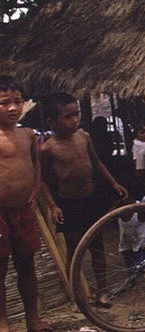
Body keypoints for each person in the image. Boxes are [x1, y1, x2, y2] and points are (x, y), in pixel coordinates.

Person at [38, 92, 128, 307]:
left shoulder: (84, 137)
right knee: (74, 249)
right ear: (52, 121)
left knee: (98, 247)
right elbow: (42, 181)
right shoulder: (48, 148)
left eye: (76, 114)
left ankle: (102, 291)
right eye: (68, 116)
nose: (75, 120)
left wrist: (113, 183)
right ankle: (76, 295)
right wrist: (53, 206)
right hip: (69, 202)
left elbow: (97, 163)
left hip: (91, 197)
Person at [0, 75, 56, 332]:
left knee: (27, 264)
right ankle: (2, 324)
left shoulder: (28, 135)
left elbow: (36, 165)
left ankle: (32, 317)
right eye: (3, 103)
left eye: (17, 102)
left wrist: (35, 190)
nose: (12, 108)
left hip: (24, 209)